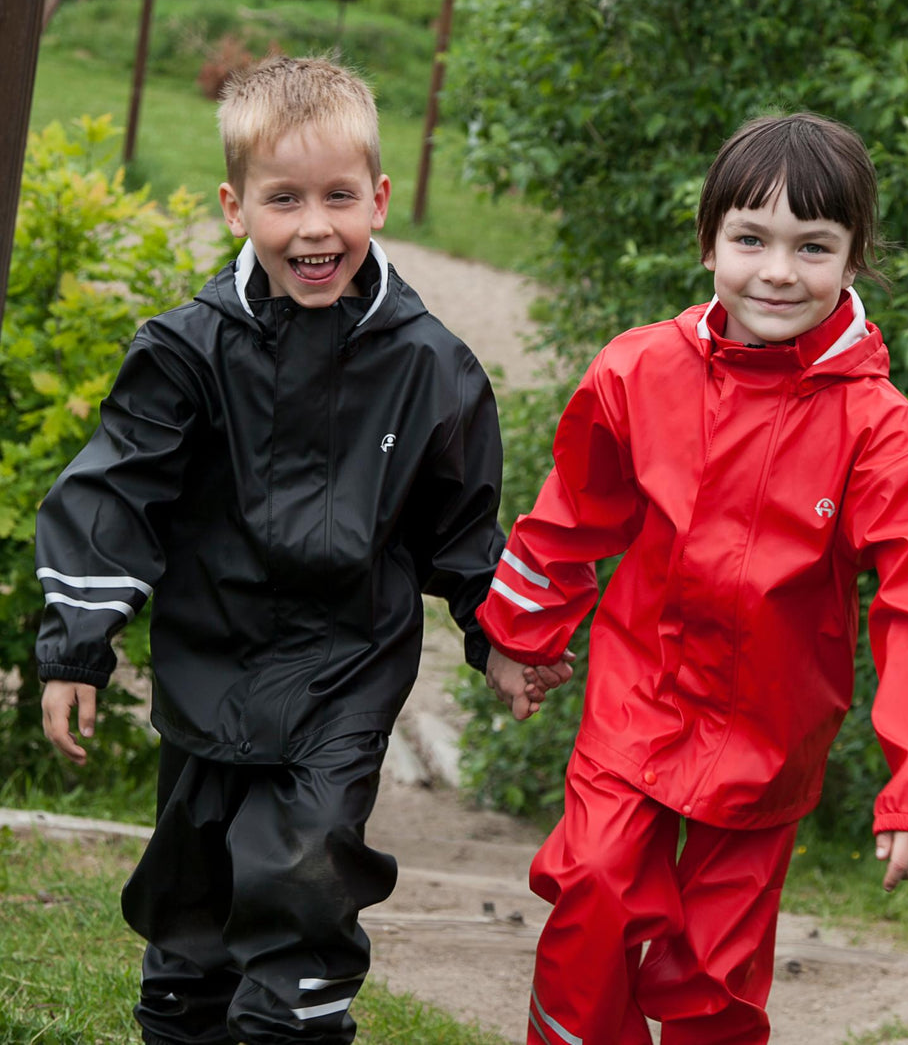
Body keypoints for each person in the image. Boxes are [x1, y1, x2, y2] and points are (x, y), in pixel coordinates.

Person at [34, 55, 535, 1044]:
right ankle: (182, 1016)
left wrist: (501, 636)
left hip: (347, 665)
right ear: (235, 207)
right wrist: (78, 641)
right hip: (207, 655)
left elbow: (464, 528)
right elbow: (117, 486)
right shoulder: (186, 349)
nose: (315, 225)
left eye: (339, 196)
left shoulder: (431, 366)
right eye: (284, 198)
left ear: (379, 199)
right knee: (197, 891)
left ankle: (294, 1022)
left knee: (302, 868)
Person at [479, 112, 908, 1044]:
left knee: (713, 975)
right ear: (709, 241)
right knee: (591, 891)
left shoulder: (876, 430)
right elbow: (572, 512)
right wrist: (520, 636)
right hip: (639, 704)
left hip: (769, 734)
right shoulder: (638, 370)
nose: (778, 271)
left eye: (813, 246)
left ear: (852, 258)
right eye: (751, 238)